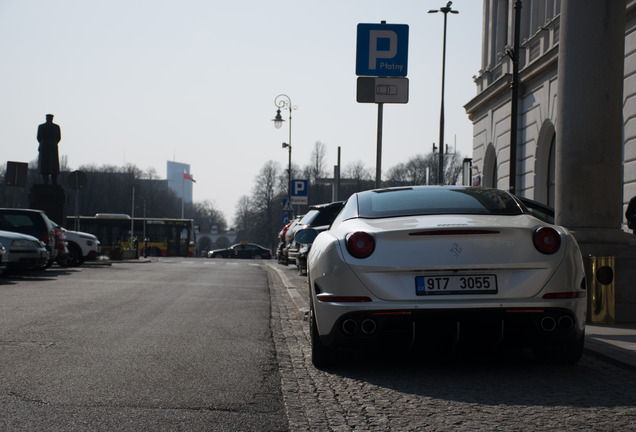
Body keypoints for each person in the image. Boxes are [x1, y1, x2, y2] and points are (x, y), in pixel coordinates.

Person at [37, 114, 61, 185]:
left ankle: (46, 182)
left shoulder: (41, 127)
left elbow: (38, 137)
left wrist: (43, 143)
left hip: (44, 146)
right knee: (53, 166)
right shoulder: (56, 127)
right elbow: (59, 137)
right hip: (53, 146)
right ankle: (54, 182)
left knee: (45, 166)